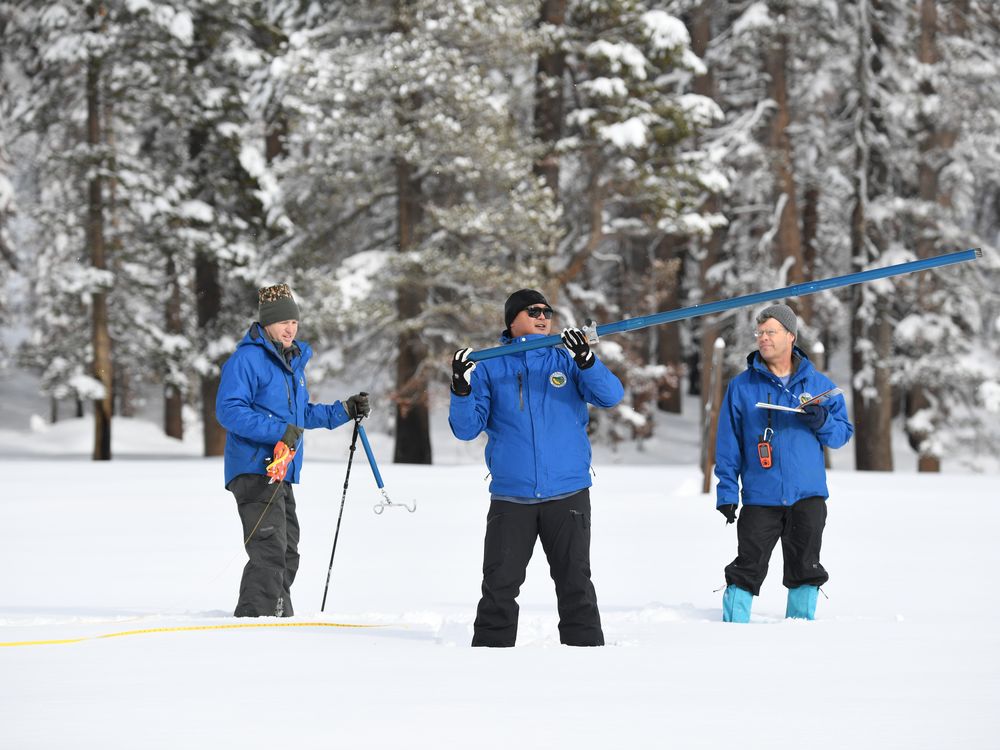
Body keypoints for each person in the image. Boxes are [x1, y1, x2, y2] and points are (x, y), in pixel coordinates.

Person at [449, 288, 625, 647]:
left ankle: (586, 655)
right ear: (512, 320)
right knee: (499, 585)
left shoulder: (565, 359)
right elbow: (466, 429)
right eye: (533, 311)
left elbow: (610, 396)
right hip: (512, 497)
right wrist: (461, 388)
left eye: (548, 311)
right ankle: (488, 659)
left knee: (575, 580)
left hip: (568, 492)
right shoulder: (489, 366)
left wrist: (587, 361)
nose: (543, 317)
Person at [216, 283, 371, 618]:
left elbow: (300, 416)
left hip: (279, 469)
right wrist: (278, 431)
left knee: (288, 549)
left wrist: (344, 410)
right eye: (284, 322)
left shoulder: (290, 366)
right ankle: (260, 620)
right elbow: (229, 410)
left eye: (295, 323)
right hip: (255, 467)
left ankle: (272, 614)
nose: (290, 329)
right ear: (267, 323)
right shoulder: (247, 360)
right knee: (270, 548)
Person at [714, 303, 853, 623]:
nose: (762, 338)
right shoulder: (742, 386)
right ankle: (730, 633)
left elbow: (841, 435)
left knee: (806, 568)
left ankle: (801, 636)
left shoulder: (819, 386)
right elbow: (728, 445)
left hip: (808, 496)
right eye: (759, 333)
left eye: (770, 332)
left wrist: (822, 421)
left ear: (790, 336)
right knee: (747, 567)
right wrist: (726, 492)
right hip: (760, 496)